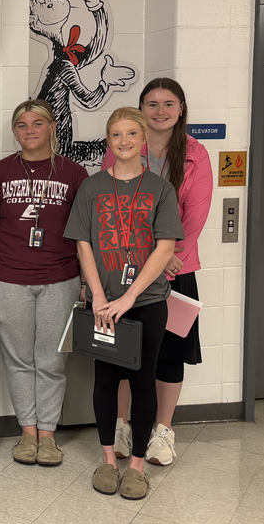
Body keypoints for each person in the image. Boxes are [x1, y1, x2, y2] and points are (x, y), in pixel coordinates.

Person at [65, 107, 182, 500]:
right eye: (116, 135)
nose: (124, 141)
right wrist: (99, 296)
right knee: (105, 380)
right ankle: (108, 461)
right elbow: (84, 244)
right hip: (104, 302)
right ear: (108, 140)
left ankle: (137, 467)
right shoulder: (92, 187)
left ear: (143, 138)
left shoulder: (160, 189)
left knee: (143, 378)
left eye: (132, 133)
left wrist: (129, 297)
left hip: (146, 301)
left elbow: (165, 247)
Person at [103, 78, 212, 465]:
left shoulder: (196, 155)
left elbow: (195, 217)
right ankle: (122, 426)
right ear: (141, 109)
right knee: (122, 353)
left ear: (181, 109)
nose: (160, 111)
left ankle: (163, 433)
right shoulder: (126, 145)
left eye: (168, 104)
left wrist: (167, 254)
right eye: (152, 104)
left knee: (168, 355)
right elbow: (111, 210)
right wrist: (152, 253)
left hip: (176, 271)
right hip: (124, 266)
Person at [0, 99, 87, 467]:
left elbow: (84, 235)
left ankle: (49, 434)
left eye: (37, 123)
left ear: (51, 127)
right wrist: (3, 263)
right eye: (22, 125)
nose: (29, 130)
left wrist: (86, 281)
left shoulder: (74, 174)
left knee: (51, 361)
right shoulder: (1, 172)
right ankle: (27, 433)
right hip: (9, 278)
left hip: (60, 278)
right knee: (18, 360)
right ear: (15, 131)